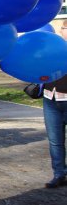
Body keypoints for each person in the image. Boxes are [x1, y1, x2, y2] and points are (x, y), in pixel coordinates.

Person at [42, 20, 67, 188]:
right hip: (50, 98)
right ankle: (59, 174)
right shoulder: (53, 48)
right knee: (55, 141)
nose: (65, 31)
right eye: (65, 28)